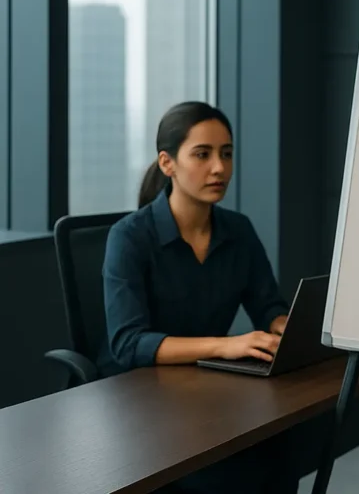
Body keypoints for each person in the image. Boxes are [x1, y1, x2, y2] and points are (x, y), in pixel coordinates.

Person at [99, 101, 297, 493]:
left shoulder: (238, 230)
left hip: (202, 390)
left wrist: (285, 326)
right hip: (136, 399)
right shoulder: (130, 237)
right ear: (167, 163)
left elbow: (267, 305)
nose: (219, 168)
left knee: (282, 451)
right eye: (202, 155)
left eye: (226, 153)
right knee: (225, 476)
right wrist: (225, 346)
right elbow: (128, 344)